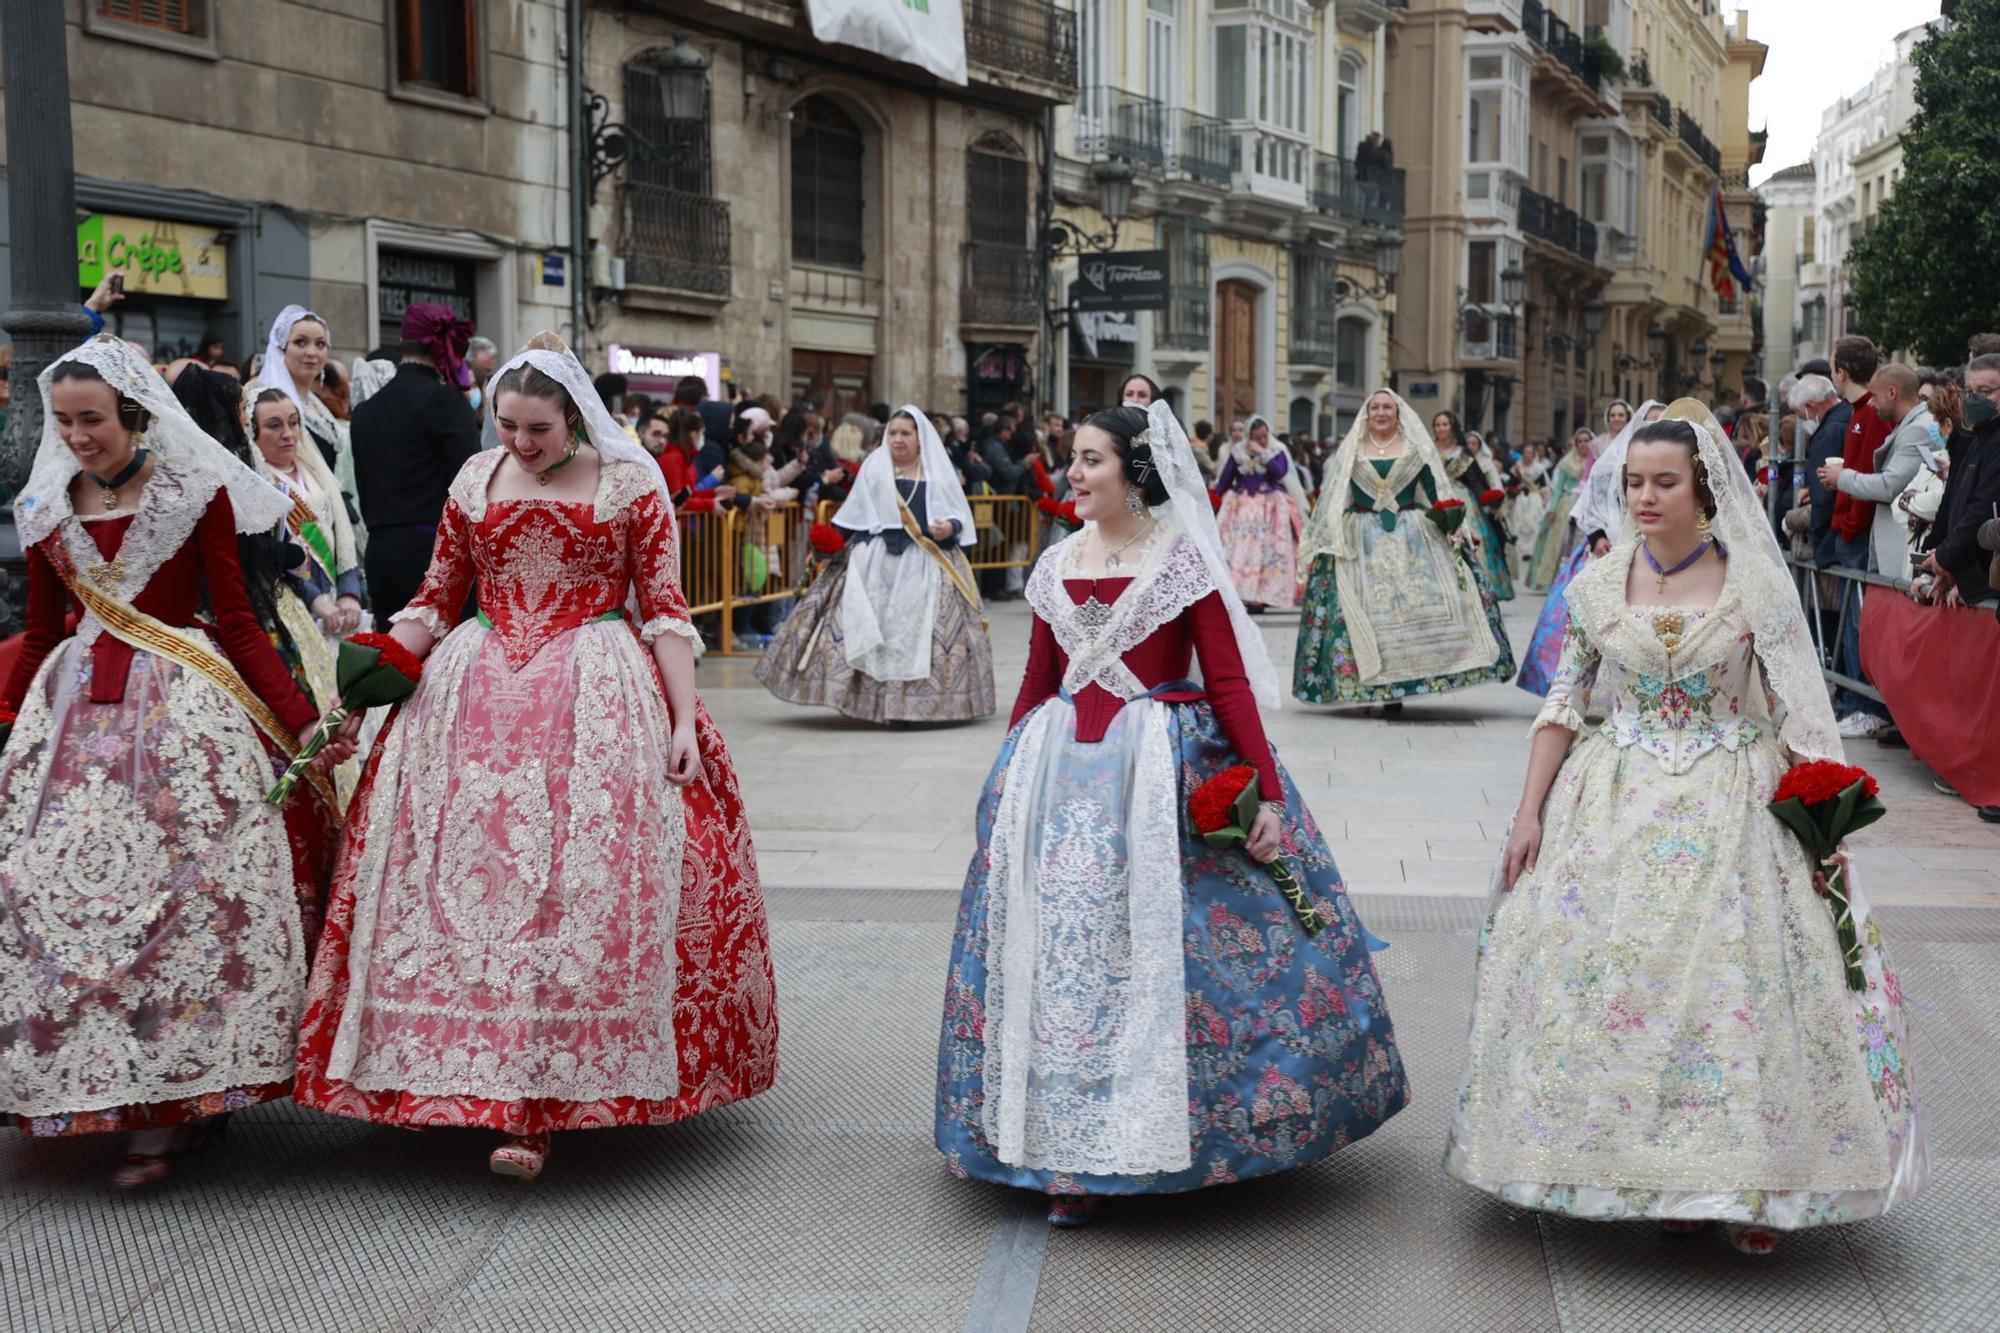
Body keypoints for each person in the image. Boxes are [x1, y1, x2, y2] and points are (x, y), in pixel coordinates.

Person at [293, 333, 778, 1180]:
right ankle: (449, 1076)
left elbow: (665, 611)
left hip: (596, 687)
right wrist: (373, 667)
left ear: (575, 420)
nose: (519, 442)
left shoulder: (632, 486)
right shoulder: (472, 481)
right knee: (458, 879)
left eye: (537, 430)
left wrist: (679, 720)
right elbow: (437, 596)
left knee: (571, 884)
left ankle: (543, 1099)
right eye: (507, 425)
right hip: (472, 687)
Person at [1446, 403, 1926, 1253]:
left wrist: (1825, 819)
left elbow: (1797, 711)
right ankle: (1629, 1166)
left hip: (1733, 795)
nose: (1644, 497)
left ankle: (1747, 1182)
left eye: (1664, 482)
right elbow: (1565, 701)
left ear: (1703, 490)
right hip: (1613, 793)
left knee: (1735, 983)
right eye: (1634, 482)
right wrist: (1527, 813)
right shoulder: (1595, 584)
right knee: (1613, 978)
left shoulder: (1752, 583)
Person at [934, 402, 1408, 1228]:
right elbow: (1039, 681)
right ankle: (1058, 1145)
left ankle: (1161, 1138)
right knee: (1056, 957)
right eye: (1072, 459)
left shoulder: (1184, 562)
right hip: (1057, 786)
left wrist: (1260, 783)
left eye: (1090, 461)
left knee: (1158, 954)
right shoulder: (1053, 566)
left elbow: (1225, 682)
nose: (1074, 475)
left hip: (1156, 780)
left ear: (1135, 472)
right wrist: (1004, 775)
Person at [0, 335, 349, 1186]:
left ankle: (171, 1105)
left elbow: (235, 620)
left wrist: (302, 722)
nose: (78, 436)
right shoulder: (46, 506)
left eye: (93, 420)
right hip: (70, 717)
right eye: (65, 421)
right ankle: (87, 1076)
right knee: (57, 894)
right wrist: (11, 718)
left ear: (134, 416)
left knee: (187, 898)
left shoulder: (197, 493)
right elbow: (45, 631)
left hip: (182, 716)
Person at [754, 407, 996, 723]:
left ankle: (915, 704)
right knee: (869, 628)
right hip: (873, 560)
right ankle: (869, 702)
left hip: (924, 562)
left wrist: (949, 527)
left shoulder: (936, 471)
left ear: (920, 439)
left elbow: (956, 514)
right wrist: (827, 544)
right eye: (893, 433)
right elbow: (853, 513)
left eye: (905, 434)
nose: (897, 439)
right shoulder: (874, 467)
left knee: (917, 633)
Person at [1293, 388, 1515, 707]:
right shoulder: (1351, 449)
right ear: (1367, 414)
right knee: (1367, 607)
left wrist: (1452, 524)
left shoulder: (1414, 449)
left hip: (1412, 531)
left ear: (1399, 414)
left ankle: (1410, 679)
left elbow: (1434, 490)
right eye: (1375, 408)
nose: (1381, 413)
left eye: (1388, 407)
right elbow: (1338, 494)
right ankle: (1374, 686)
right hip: (1362, 534)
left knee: (1418, 601)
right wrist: (1327, 534)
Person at [1517, 402, 1666, 695]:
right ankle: (1580, 689)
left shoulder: (1676, 466)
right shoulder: (1611, 462)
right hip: (1609, 551)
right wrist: (1597, 536)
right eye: (1648, 423)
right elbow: (1591, 504)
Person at [348, 303, 482, 626]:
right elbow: (471, 487)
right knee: (443, 665)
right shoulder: (445, 402)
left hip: (381, 555)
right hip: (435, 557)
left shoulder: (365, 411)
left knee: (392, 666)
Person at [259, 307, 366, 549]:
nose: (311, 352)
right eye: (300, 342)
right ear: (281, 348)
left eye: (320, 344)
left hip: (334, 515)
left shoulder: (317, 405)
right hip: (297, 525)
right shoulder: (263, 399)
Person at [1821, 363, 1929, 585]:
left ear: (1892, 392)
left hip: (1902, 551)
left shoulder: (1918, 429)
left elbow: (1889, 486)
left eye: (1875, 396)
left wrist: (1842, 477)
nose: (1871, 402)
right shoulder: (1915, 424)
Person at [1916, 354, 2000, 610]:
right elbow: (1953, 504)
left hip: (1988, 581)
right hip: (1973, 578)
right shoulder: (1974, 438)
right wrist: (1944, 562)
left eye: (1985, 391)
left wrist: (1947, 557)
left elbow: (1983, 508)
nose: (1975, 398)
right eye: (1970, 391)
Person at [1213, 415, 1306, 609]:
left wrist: (1264, 452)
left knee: (1267, 550)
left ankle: (1264, 593)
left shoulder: (1276, 450)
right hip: (1241, 506)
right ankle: (1240, 592)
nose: (1262, 440)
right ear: (1249, 437)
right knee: (1238, 550)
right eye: (1257, 437)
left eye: (1264, 436)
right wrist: (1213, 500)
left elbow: (1280, 472)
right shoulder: (1238, 452)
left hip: (1270, 507)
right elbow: (1226, 479)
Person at [1433, 412, 1514, 601]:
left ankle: (1472, 584)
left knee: (1469, 542)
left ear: (1452, 427)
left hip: (1461, 501)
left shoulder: (1462, 453)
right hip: (1434, 499)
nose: (1441, 428)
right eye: (1437, 424)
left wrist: (1488, 501)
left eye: (1445, 424)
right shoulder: (1428, 449)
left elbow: (1475, 481)